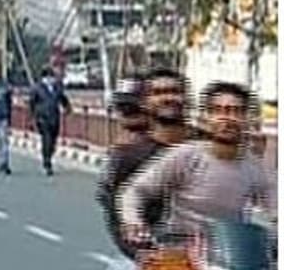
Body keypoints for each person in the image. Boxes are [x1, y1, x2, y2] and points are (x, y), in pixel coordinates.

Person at [121, 81, 276, 258]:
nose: (227, 118)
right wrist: (133, 222)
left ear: (248, 119)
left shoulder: (256, 168)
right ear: (206, 118)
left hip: (230, 252)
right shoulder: (185, 155)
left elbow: (276, 207)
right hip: (180, 251)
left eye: (236, 111)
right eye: (219, 110)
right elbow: (136, 191)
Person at [96, 72, 177, 262]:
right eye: (123, 109)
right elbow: (109, 204)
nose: (127, 116)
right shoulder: (121, 155)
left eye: (133, 109)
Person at [28, 66, 73, 175]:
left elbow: (63, 99)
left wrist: (67, 108)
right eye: (47, 77)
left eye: (51, 77)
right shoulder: (37, 88)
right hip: (42, 118)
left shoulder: (57, 88)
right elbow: (31, 104)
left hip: (55, 117)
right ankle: (47, 162)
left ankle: (49, 155)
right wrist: (32, 118)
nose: (50, 79)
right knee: (46, 139)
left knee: (53, 141)